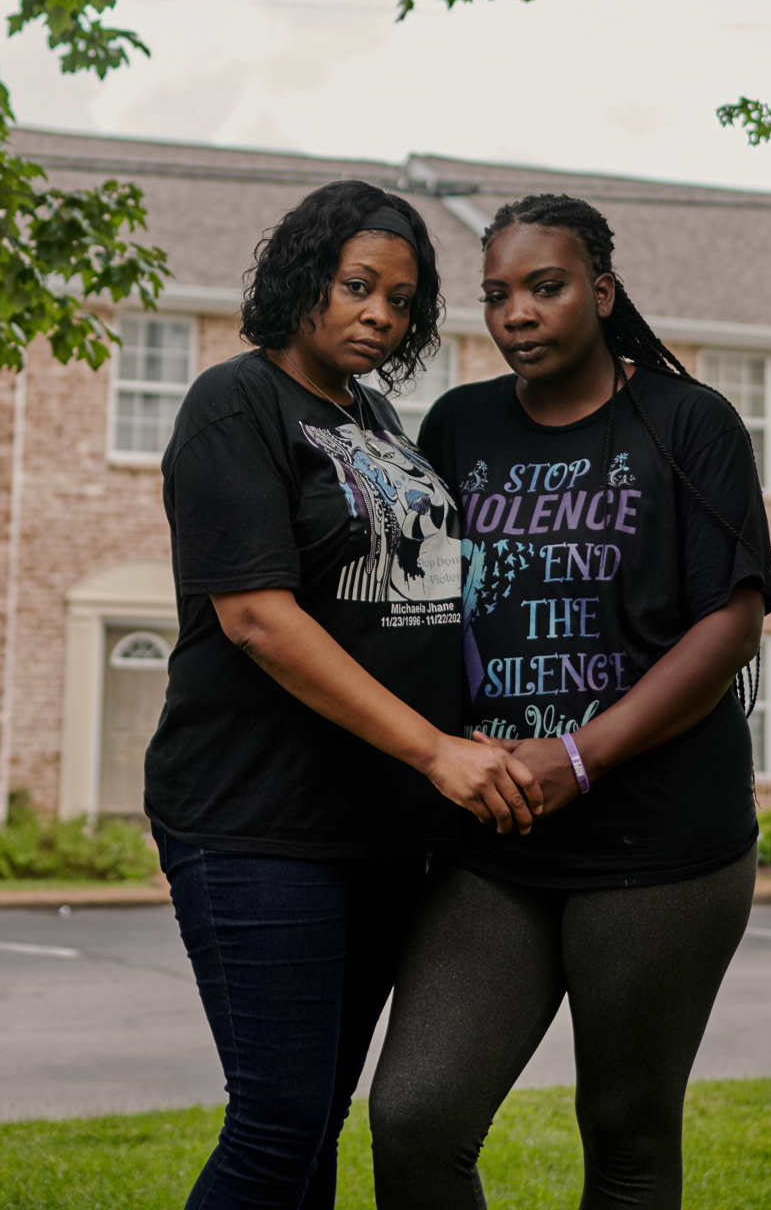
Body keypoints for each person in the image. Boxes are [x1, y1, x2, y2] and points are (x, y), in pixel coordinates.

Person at [370, 193, 771, 1210]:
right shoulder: (459, 425)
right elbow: (428, 605)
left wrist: (581, 755)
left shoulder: (687, 422)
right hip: (497, 838)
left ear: (600, 291)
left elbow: (730, 626)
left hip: (660, 845)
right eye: (497, 294)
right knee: (416, 1116)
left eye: (545, 287)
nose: (517, 312)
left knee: (626, 1134)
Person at [146, 179, 542, 1209]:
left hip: (377, 829)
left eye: (400, 301)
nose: (379, 314)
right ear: (303, 278)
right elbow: (256, 617)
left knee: (316, 1118)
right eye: (357, 285)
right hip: (260, 821)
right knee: (275, 1127)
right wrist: (434, 749)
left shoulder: (371, 416)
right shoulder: (235, 403)